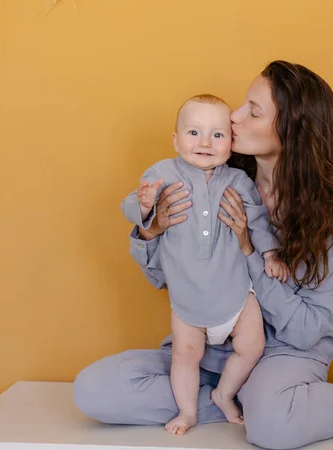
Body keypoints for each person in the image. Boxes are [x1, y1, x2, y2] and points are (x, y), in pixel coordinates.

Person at [74, 60, 333, 450]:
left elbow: (308, 329)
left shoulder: (325, 213)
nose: (234, 118)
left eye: (253, 111)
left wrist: (248, 249)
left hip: (283, 353)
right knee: (96, 390)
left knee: (273, 429)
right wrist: (149, 230)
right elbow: (161, 277)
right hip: (210, 345)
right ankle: (245, 401)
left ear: (292, 130)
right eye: (241, 105)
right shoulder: (218, 176)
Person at [120, 94, 288, 435]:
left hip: (237, 294)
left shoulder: (238, 181)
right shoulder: (162, 174)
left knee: (252, 345)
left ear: (231, 143)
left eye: (217, 135)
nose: (205, 143)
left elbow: (256, 221)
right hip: (188, 301)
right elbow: (130, 205)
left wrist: (270, 254)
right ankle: (188, 412)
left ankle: (224, 394)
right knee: (185, 356)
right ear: (176, 139)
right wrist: (144, 204)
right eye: (194, 133)